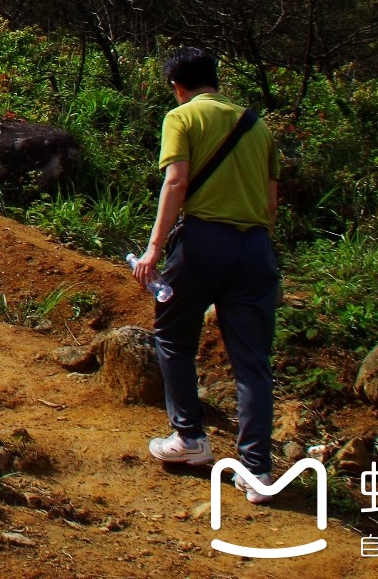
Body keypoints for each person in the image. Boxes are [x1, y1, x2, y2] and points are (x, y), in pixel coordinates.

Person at [132, 46, 281, 499]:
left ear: (177, 86)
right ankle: (257, 470)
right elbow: (271, 204)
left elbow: (176, 181)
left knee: (174, 338)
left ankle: (190, 439)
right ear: (214, 79)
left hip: (201, 243)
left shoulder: (181, 118)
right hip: (255, 248)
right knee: (253, 362)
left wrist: (154, 249)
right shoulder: (260, 128)